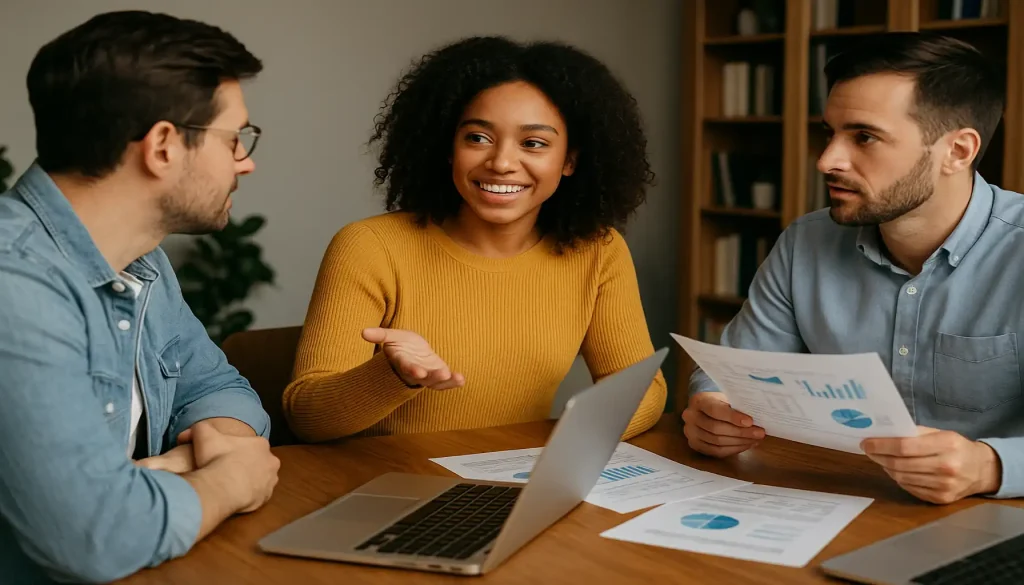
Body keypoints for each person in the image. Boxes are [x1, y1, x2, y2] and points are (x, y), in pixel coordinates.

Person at [684, 31, 1024, 505]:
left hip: (991, 526)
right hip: (831, 499)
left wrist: (991, 466)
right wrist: (711, 408)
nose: (826, 160)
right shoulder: (805, 241)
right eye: (830, 133)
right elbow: (733, 372)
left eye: (864, 136)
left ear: (958, 151)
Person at [0, 11, 280, 584]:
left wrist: (187, 460)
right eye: (235, 140)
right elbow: (92, 538)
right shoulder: (14, 283)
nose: (245, 161)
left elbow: (219, 388)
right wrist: (230, 479)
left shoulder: (140, 261)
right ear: (163, 146)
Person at [283, 36, 667, 442]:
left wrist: (571, 444)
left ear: (570, 160)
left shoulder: (597, 251)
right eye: (477, 138)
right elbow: (307, 416)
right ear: (448, 148)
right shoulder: (369, 247)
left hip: (508, 485)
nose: (501, 163)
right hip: (380, 486)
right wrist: (393, 375)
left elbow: (644, 389)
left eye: (533, 144)